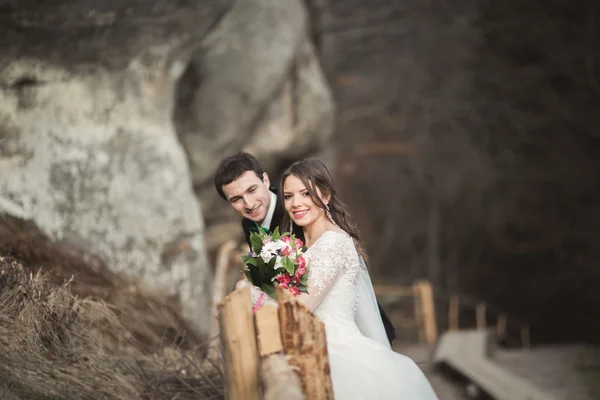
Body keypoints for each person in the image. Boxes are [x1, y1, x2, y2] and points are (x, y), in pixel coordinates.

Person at [246, 158, 439, 399]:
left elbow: (302, 306)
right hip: (305, 343)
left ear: (325, 196)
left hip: (335, 351)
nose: (296, 203)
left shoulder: (335, 243)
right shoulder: (295, 246)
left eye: (305, 193)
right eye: (288, 196)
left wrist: (253, 293)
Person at [214, 152, 397, 345]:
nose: (249, 204)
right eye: (236, 199)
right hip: (301, 334)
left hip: (342, 331)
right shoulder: (249, 226)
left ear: (266, 180)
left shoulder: (300, 212)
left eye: (252, 190)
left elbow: (306, 294)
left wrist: (246, 290)